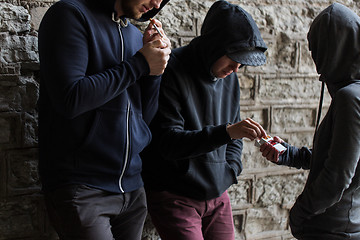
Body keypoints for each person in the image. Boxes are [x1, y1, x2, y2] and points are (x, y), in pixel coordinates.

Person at [37, 0, 171, 239]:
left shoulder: (133, 36)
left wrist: (154, 73)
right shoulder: (70, 15)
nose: (156, 3)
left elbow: (144, 117)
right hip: (83, 187)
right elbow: (71, 99)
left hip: (132, 189)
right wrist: (140, 64)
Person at [141, 1, 267, 239]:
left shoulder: (229, 78)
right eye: (233, 59)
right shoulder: (171, 70)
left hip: (218, 195)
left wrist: (230, 170)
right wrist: (227, 132)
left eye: (241, 61)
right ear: (214, 46)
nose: (236, 68)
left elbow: (234, 137)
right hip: (174, 194)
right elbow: (168, 142)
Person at [259, 3, 360, 239]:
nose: (316, 62)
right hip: (345, 225)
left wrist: (300, 213)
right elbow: (345, 158)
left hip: (331, 229)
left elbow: (339, 175)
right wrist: (291, 154)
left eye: (316, 50)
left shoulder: (351, 97)